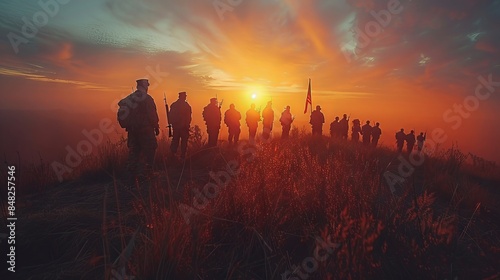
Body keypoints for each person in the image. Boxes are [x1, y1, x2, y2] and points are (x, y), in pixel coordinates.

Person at [121, 79, 160, 175]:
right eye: (147, 85)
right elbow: (152, 115)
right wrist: (156, 126)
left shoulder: (129, 98)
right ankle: (148, 172)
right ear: (145, 86)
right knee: (150, 149)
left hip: (133, 131)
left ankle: (131, 174)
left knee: (134, 152)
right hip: (146, 130)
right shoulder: (147, 99)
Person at [169, 91, 192, 159]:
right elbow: (188, 117)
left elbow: (170, 116)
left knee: (175, 140)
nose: (185, 97)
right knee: (184, 142)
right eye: (185, 96)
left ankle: (172, 155)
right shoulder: (186, 106)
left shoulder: (174, 105)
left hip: (176, 127)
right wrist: (187, 125)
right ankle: (182, 156)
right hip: (183, 127)